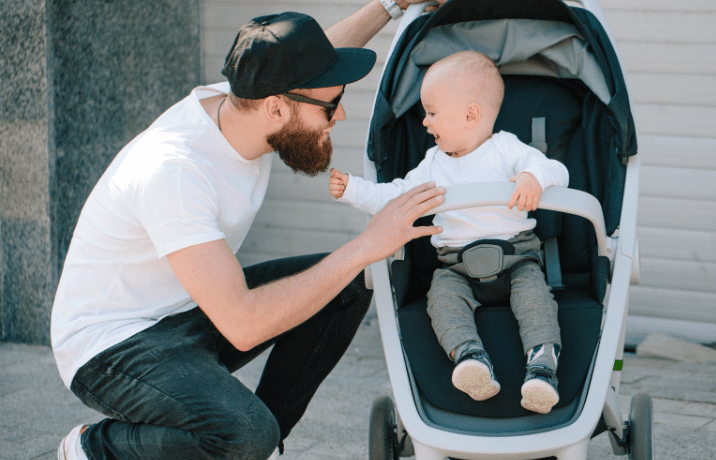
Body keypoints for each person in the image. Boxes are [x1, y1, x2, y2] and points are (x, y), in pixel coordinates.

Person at [51, 2, 446, 459]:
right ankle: (92, 448)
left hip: (189, 309)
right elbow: (242, 325)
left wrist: (390, 5)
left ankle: (260, 444)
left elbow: (315, 55)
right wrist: (366, 244)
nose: (339, 118)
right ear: (276, 108)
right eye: (332, 106)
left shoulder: (248, 100)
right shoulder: (174, 172)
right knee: (244, 433)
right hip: (110, 348)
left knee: (350, 285)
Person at [329, 51, 569, 414]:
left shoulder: (508, 149)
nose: (424, 122)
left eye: (432, 112)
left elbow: (554, 170)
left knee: (535, 299)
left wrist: (533, 178)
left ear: (471, 115)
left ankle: (541, 366)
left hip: (517, 258)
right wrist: (353, 190)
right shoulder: (432, 166)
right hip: (456, 266)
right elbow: (395, 196)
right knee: (440, 299)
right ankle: (470, 358)